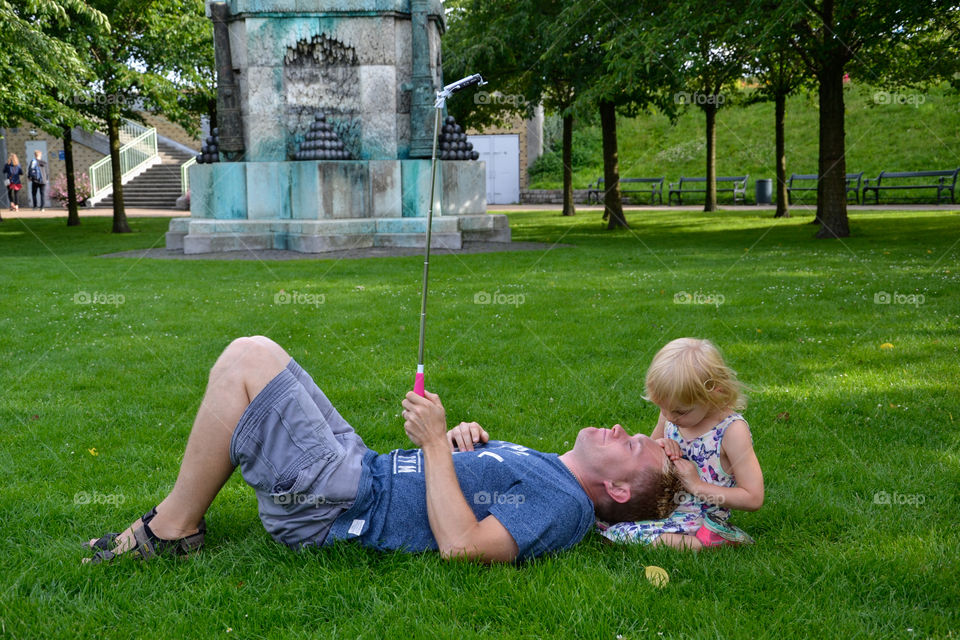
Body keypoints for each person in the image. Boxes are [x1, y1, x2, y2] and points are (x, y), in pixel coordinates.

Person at [84, 336, 682, 565]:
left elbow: (465, 548)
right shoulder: (548, 468)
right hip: (362, 467)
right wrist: (461, 442)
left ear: (620, 489)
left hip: (339, 506)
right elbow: (465, 492)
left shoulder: (566, 506)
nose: (618, 428)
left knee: (248, 359)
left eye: (634, 445)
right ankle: (174, 520)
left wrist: (436, 451)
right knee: (256, 359)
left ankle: (170, 532)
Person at [598, 338, 764, 550]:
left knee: (624, 535)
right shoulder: (670, 414)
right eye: (662, 408)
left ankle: (712, 541)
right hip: (663, 503)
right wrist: (660, 445)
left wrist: (697, 485)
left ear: (715, 393)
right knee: (602, 517)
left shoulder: (731, 431)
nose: (669, 417)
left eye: (679, 411)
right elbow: (649, 456)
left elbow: (753, 497)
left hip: (700, 518)